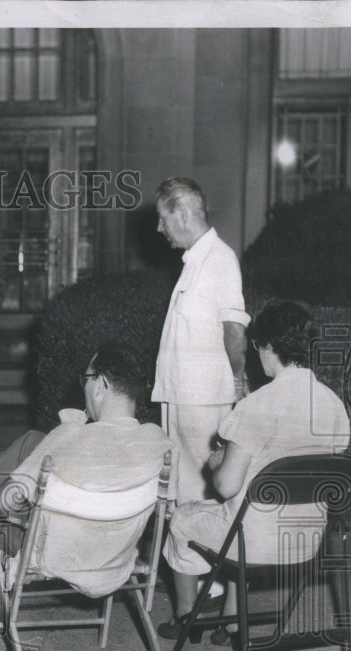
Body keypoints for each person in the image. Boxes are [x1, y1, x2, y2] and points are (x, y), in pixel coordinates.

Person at [0, 343, 173, 598]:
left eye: (85, 379)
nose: (83, 387)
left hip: (53, 556)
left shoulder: (68, 438)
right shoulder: (161, 444)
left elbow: (4, 503)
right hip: (115, 558)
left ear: (100, 385)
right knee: (33, 442)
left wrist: (6, 489)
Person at [160, 302, 351, 642]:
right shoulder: (332, 404)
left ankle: (185, 618)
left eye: (258, 347)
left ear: (268, 346)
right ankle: (231, 622)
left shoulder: (257, 405)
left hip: (255, 542)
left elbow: (226, 485)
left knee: (181, 518)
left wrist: (217, 459)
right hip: (308, 542)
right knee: (240, 518)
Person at [153, 177, 249, 505]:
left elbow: (234, 329)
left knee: (201, 496)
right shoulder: (194, 262)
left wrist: (237, 379)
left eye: (163, 218)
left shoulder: (220, 260)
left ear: (182, 214)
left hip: (204, 401)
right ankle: (181, 557)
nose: (158, 228)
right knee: (181, 491)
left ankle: (203, 556)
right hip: (181, 397)